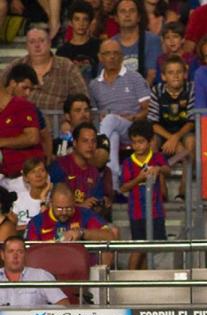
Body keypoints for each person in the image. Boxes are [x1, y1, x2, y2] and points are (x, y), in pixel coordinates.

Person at [89, 40, 150, 187]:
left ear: (122, 56)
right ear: (100, 57)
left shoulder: (134, 77)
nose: (111, 57)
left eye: (115, 53)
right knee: (113, 135)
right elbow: (93, 113)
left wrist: (132, 117)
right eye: (107, 53)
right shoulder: (94, 85)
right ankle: (115, 184)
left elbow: (148, 109)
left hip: (132, 127)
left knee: (110, 120)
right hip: (111, 129)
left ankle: (98, 149)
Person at [119, 120, 169, 270]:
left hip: (155, 211)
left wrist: (158, 169)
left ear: (150, 141)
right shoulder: (128, 163)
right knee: (139, 246)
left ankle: (142, 277)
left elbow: (168, 170)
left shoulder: (156, 157)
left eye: (141, 142)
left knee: (150, 248)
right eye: (134, 142)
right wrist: (139, 179)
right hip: (137, 212)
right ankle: (128, 278)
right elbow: (123, 188)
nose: (137, 146)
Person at [3, 26, 89, 113]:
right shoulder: (16, 66)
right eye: (32, 42)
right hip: (22, 121)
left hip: (58, 123)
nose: (37, 45)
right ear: (26, 46)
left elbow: (82, 98)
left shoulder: (66, 66)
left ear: (49, 43)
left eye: (41, 41)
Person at [24, 184, 117, 242]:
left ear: (74, 203)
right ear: (51, 203)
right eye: (59, 208)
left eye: (69, 208)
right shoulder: (37, 222)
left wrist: (82, 233)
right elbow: (31, 253)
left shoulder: (84, 214)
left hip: (79, 266)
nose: (64, 212)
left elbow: (110, 235)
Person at [0, 62, 44, 179]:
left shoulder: (25, 106)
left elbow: (33, 137)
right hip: (5, 176)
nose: (27, 93)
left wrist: (1, 142)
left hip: (26, 177)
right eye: (25, 88)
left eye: (30, 89)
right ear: (12, 83)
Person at [0, 236, 69, 306]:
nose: (15, 256)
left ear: (25, 255)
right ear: (2, 255)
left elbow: (63, 304)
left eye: (20, 252)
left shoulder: (41, 276)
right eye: (10, 251)